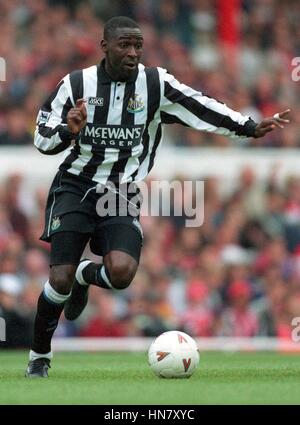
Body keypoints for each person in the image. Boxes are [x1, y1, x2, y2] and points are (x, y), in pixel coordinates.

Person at [25, 16, 290, 377]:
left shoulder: (155, 84)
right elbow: (42, 138)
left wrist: (247, 126)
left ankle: (86, 278)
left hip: (121, 191)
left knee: (121, 273)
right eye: (124, 45)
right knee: (58, 280)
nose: (133, 52)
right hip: (74, 187)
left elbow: (200, 107)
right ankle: (39, 357)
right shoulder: (75, 84)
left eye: (138, 45)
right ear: (105, 47)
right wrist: (66, 131)